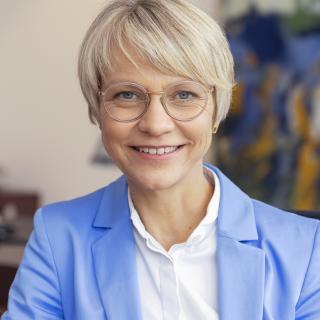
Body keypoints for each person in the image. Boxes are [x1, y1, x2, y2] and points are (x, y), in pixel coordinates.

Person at [2, 1, 320, 319]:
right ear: (98, 111)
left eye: (184, 95)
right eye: (127, 94)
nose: (155, 125)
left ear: (216, 109)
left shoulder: (305, 249)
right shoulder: (57, 238)